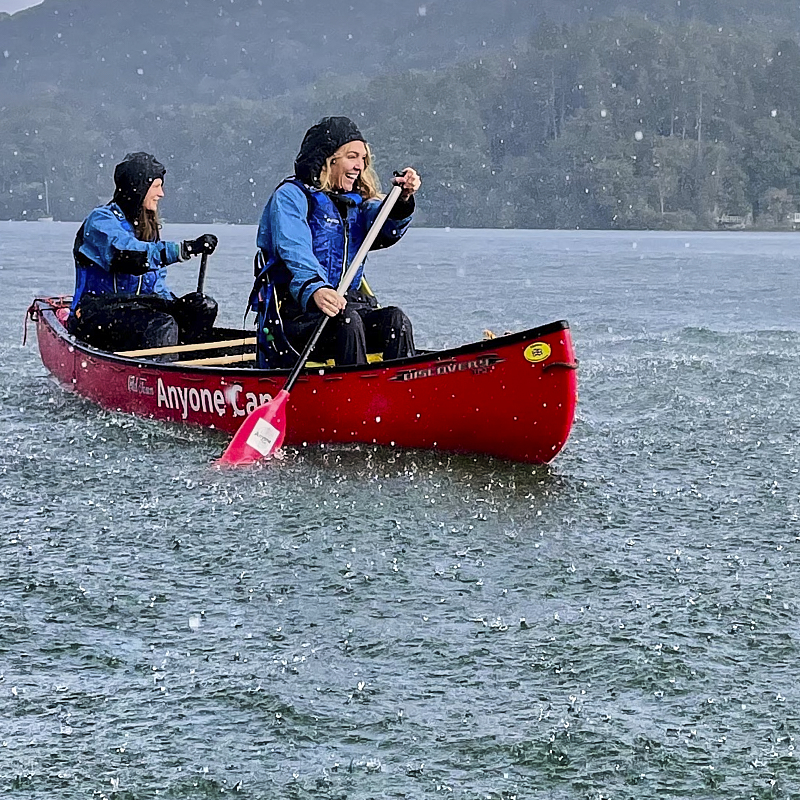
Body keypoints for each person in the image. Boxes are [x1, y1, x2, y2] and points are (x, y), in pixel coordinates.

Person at [252, 116, 421, 368]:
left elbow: (383, 228)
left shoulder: (356, 204)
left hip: (346, 306)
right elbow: (294, 249)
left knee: (396, 321)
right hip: (298, 314)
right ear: (328, 159)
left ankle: (402, 392)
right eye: (352, 157)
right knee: (348, 322)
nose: (359, 166)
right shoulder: (290, 197)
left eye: (363, 159)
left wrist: (401, 202)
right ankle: (356, 397)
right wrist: (316, 288)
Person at [67, 152, 219, 353]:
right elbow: (132, 256)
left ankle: (189, 363)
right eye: (156, 186)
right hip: (96, 312)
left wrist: (180, 309)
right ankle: (161, 373)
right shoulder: (101, 221)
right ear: (138, 188)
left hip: (138, 308)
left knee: (202, 307)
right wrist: (186, 249)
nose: (161, 193)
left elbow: (156, 283)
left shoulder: (148, 229)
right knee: (160, 324)